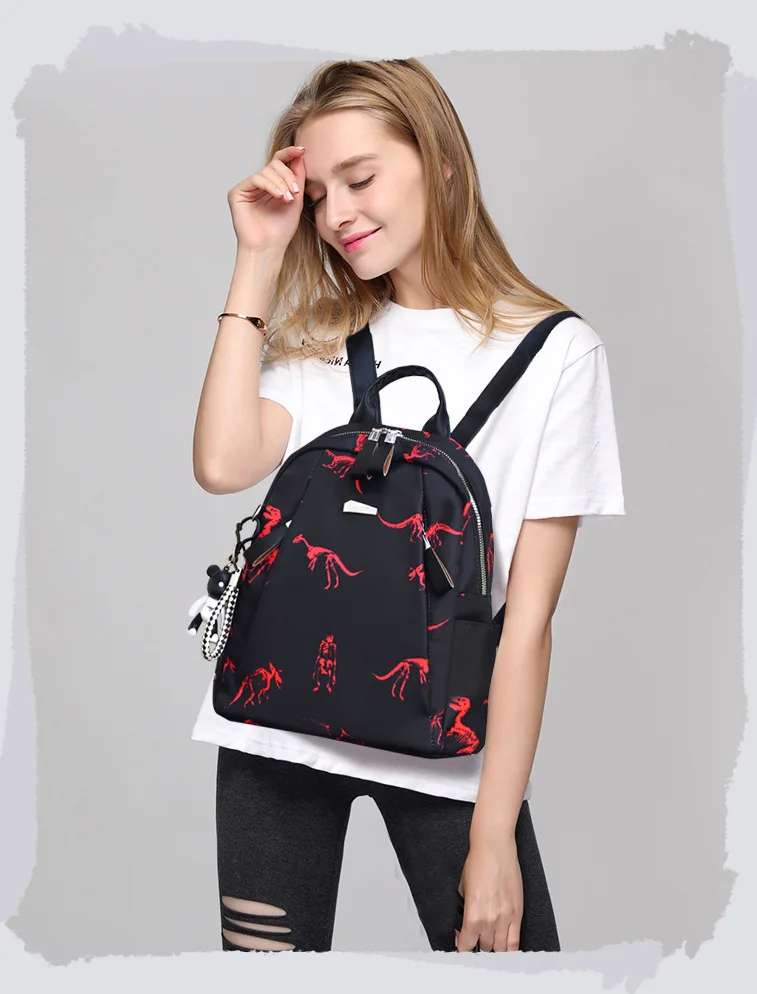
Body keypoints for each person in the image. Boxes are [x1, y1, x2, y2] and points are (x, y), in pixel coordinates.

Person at [190, 57, 625, 954]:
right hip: (277, 733)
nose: (337, 215)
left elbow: (527, 624)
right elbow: (222, 464)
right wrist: (257, 257)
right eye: (320, 197)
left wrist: (495, 836)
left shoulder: (557, 354)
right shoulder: (324, 337)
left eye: (361, 179)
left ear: (442, 164)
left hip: (448, 749)